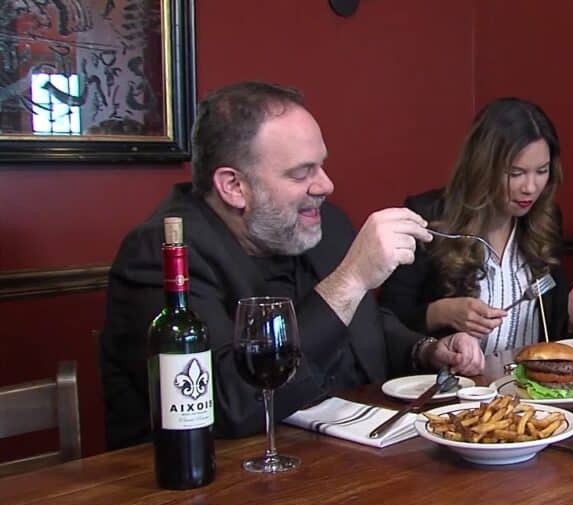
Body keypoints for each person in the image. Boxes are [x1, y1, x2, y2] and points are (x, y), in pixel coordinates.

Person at [101, 81, 484, 450]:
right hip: (221, 488)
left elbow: (362, 322)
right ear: (234, 186)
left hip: (348, 465)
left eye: (321, 166)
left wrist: (425, 350)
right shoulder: (164, 253)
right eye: (302, 173)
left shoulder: (324, 223)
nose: (326, 185)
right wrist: (350, 279)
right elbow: (229, 407)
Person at [378, 97, 573, 354]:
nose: (530, 188)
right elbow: (386, 323)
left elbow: (546, 336)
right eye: (515, 173)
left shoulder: (546, 221)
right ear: (482, 167)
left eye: (541, 171)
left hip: (525, 388)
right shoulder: (428, 217)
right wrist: (440, 313)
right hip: (454, 388)